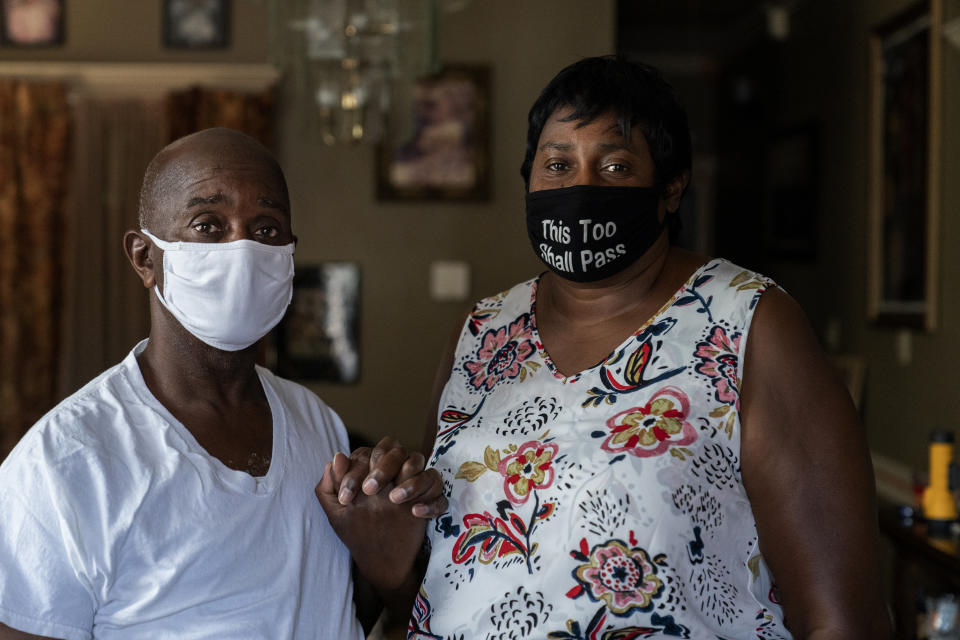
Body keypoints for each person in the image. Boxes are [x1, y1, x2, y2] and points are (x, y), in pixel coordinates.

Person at [406, 57, 892, 639]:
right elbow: (440, 567)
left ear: (671, 188)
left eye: (614, 166)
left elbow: (842, 620)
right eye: (557, 164)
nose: (579, 189)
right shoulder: (482, 331)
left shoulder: (748, 322)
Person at [0, 127, 444, 639]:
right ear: (145, 258)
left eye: (268, 229)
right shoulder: (66, 463)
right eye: (208, 225)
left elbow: (330, 612)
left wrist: (390, 564)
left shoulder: (317, 423)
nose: (244, 249)